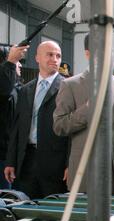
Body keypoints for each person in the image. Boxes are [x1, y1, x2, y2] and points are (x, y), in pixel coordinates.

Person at [53, 35, 114, 195]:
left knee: (112, 217)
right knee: (83, 218)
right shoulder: (70, 85)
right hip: (83, 170)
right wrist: (88, 109)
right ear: (87, 54)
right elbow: (59, 126)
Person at [4, 41, 69, 199]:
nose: (55, 59)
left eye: (58, 56)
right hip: (27, 161)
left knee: (53, 213)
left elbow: (72, 131)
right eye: (50, 54)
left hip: (56, 163)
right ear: (37, 58)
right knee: (25, 208)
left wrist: (70, 163)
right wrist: (11, 161)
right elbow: (17, 128)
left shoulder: (68, 87)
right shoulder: (26, 89)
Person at [0, 45, 27, 189]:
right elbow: (4, 91)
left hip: (10, 156)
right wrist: (10, 63)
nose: (20, 64)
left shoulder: (17, 88)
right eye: (17, 61)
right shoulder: (6, 88)